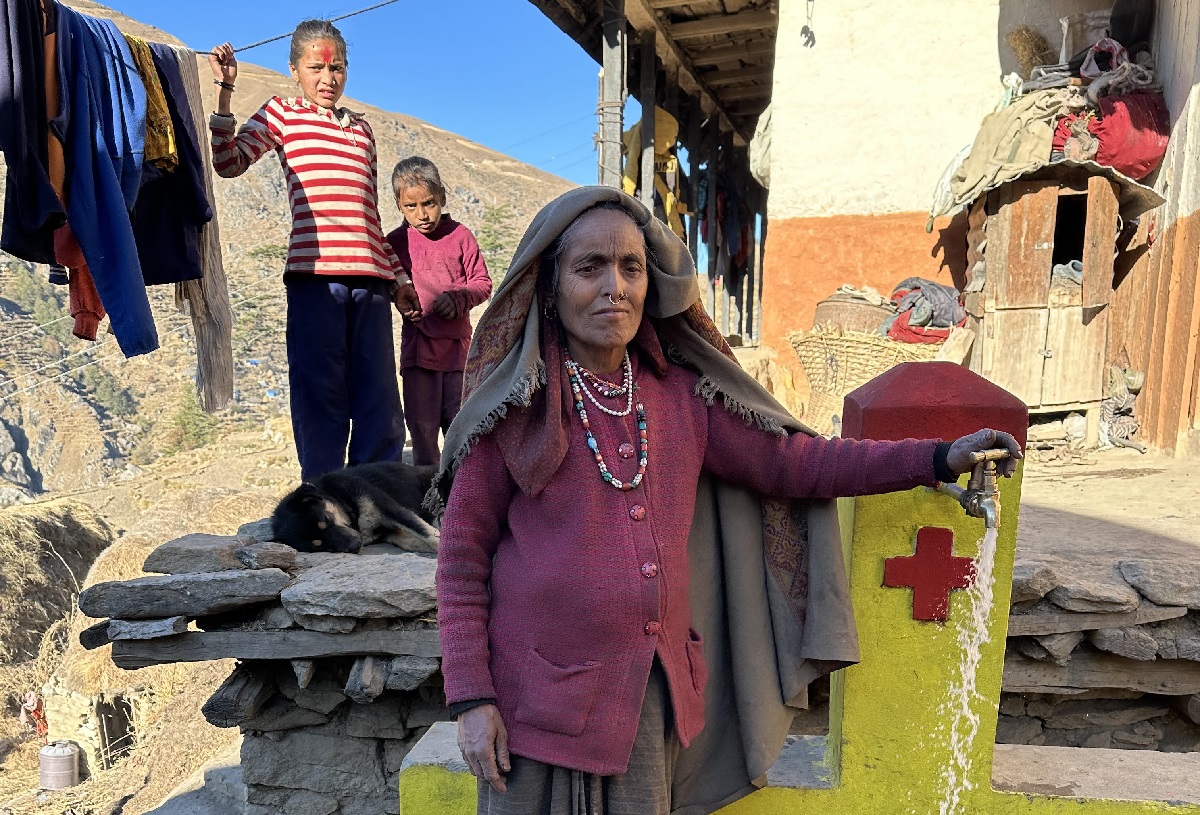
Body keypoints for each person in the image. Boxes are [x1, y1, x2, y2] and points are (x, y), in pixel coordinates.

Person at [431, 186, 1023, 815]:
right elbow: (462, 561)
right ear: (550, 288)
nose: (615, 287)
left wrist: (936, 457)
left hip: (645, 705)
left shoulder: (683, 397)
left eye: (631, 267)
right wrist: (472, 699)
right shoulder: (512, 408)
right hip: (531, 711)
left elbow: (798, 463)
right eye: (589, 268)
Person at [207, 22, 421, 482]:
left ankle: (376, 494)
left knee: (379, 395)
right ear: (294, 70)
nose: (328, 78)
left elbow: (370, 215)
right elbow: (227, 162)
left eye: (337, 67)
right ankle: (324, 494)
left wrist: (400, 279)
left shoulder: (363, 131)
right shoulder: (282, 114)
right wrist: (226, 91)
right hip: (314, 277)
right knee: (320, 392)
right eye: (316, 68)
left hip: (372, 280)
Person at [386, 157, 492, 465]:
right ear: (399, 205)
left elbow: (482, 283)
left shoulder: (460, 236)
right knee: (422, 431)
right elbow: (388, 283)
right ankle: (428, 493)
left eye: (429, 203)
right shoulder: (395, 243)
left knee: (461, 429)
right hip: (418, 352)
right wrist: (397, 296)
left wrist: (459, 298)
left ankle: (463, 491)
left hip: (458, 353)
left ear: (442, 197)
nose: (422, 214)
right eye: (411, 206)